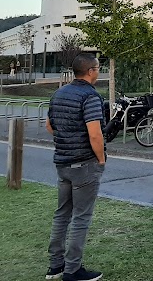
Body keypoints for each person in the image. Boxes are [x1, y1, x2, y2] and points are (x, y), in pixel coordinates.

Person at [45, 53, 105, 281]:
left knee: (62, 214)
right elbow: (95, 133)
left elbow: (50, 126)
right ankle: (72, 270)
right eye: (97, 68)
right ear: (90, 71)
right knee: (81, 217)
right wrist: (101, 159)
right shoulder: (90, 96)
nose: (98, 72)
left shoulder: (58, 93)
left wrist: (67, 136)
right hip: (84, 164)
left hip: (62, 162)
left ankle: (55, 265)